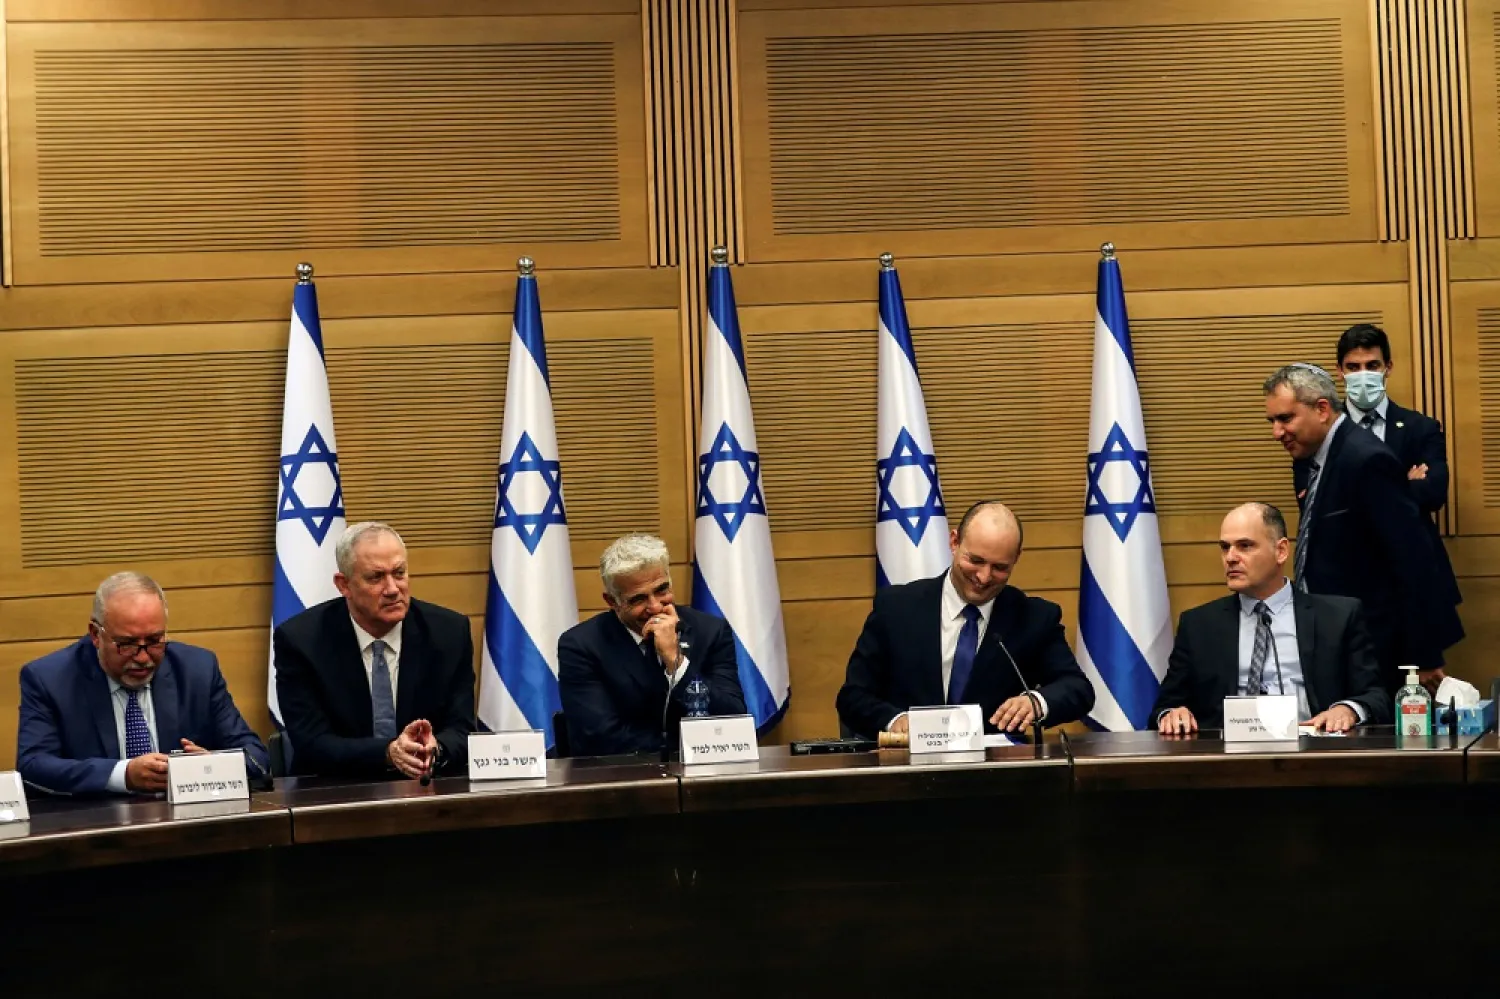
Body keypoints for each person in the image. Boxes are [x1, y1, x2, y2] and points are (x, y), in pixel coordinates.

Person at [1263, 364, 1463, 685]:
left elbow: (1413, 559)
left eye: (1285, 419)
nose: (1276, 432)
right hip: (1336, 636)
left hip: (1376, 645)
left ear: (1323, 409)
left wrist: (1423, 656)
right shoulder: (1310, 457)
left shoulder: (1366, 459)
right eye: (1272, 421)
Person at [836, 500, 1095, 738]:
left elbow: (1077, 688)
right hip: (907, 770)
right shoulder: (896, 609)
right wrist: (896, 720)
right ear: (954, 542)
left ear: (1016, 559)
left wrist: (1036, 701)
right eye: (976, 561)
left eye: (999, 567)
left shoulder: (1034, 618)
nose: (983, 577)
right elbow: (853, 696)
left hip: (995, 777)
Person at [16, 572, 268, 796]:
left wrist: (210, 766)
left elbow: (256, 757)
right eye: (127, 644)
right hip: (97, 832)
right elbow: (32, 766)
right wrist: (122, 775)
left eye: (155, 640)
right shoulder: (49, 679)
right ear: (96, 635)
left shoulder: (197, 669)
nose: (143, 657)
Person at [1152, 503, 1389, 734]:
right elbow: (1165, 706)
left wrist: (1347, 709)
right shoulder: (1199, 626)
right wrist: (1172, 713)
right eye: (1225, 547)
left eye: (1245, 546)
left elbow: (1375, 696)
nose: (1230, 558)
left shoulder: (1338, 617)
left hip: (1315, 754)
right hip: (1226, 760)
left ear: (1281, 551)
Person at [274, 522, 475, 779]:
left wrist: (438, 749)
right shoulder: (301, 641)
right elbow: (312, 742)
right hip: (335, 793)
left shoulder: (448, 633)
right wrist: (389, 752)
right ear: (343, 585)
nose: (392, 589)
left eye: (399, 573)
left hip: (427, 790)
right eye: (376, 577)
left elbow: (462, 728)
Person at [1293, 323, 1462, 613]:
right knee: (1353, 659)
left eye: (1372, 365)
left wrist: (1356, 495)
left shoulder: (1420, 428)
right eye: (1353, 366)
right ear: (1340, 371)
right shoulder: (1318, 432)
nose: (1363, 374)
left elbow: (1434, 495)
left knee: (1412, 661)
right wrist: (1403, 483)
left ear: (1388, 367)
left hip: (1410, 577)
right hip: (1345, 582)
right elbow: (1315, 503)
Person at [558, 533, 744, 756]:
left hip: (704, 775)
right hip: (621, 779)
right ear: (613, 602)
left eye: (661, 590)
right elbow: (599, 738)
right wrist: (685, 747)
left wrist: (676, 662)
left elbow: (732, 719)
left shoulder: (710, 631)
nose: (655, 607)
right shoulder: (581, 645)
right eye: (638, 599)